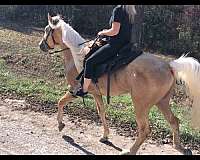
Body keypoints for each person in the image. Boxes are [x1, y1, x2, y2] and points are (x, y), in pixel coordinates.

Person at [75, 5, 138, 97]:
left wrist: (102, 32)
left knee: (89, 62)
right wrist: (108, 31)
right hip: (125, 45)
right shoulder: (131, 11)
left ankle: (84, 89)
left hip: (114, 45)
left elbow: (115, 31)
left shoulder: (118, 10)